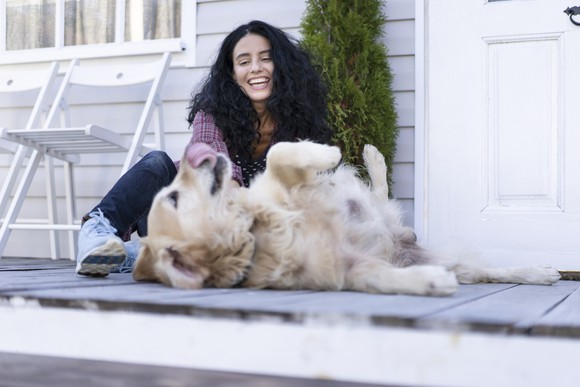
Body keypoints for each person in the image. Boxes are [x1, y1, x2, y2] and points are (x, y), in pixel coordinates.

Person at [76, 20, 333, 277]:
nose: (255, 68)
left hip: (214, 234)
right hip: (175, 207)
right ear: (233, 74)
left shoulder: (299, 121)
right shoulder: (213, 111)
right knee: (156, 162)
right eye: (244, 62)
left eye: (266, 59)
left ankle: (127, 255)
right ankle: (97, 231)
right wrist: (229, 184)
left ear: (281, 65)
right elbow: (206, 148)